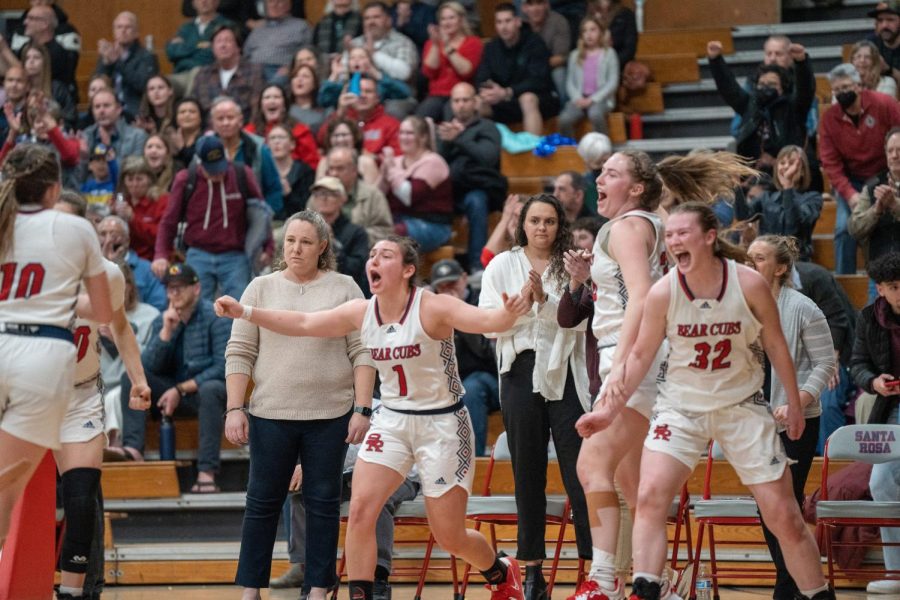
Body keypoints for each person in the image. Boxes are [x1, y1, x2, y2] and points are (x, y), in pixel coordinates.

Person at [214, 234, 533, 600]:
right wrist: (246, 312)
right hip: (393, 421)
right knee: (362, 510)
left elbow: (487, 320)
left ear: (408, 269)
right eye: (371, 255)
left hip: (441, 422)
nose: (374, 261)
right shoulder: (362, 311)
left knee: (449, 534)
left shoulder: (434, 307)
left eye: (385, 255)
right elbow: (303, 322)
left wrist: (509, 313)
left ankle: (499, 569)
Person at [580, 201, 836, 600]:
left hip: (741, 408)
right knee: (648, 496)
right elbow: (640, 356)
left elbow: (776, 345)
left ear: (709, 238)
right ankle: (650, 590)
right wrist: (608, 409)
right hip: (680, 409)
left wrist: (797, 403)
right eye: (670, 235)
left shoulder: (747, 283)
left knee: (783, 514)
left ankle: (820, 594)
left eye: (682, 233)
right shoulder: (664, 291)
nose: (674, 241)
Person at [566, 151, 755, 600]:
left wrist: (624, 368)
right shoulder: (653, 220)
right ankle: (664, 582)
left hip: (633, 358)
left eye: (611, 173)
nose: (599, 177)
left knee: (590, 464)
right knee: (632, 484)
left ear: (634, 188)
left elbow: (639, 297)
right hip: (651, 360)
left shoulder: (627, 226)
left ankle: (604, 579)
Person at [223, 210, 374, 600]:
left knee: (322, 504)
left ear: (323, 247)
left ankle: (319, 588)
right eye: (290, 240)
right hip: (270, 414)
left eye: (306, 242)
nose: (296, 248)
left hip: (331, 416)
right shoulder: (259, 288)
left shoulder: (345, 288)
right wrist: (235, 407)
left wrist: (362, 408)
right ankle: (251, 589)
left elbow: (362, 352)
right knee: (261, 503)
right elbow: (239, 351)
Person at [480, 194, 592, 599]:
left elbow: (579, 326)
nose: (541, 228)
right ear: (522, 224)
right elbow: (489, 326)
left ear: (558, 225)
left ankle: (591, 570)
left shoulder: (573, 264)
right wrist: (517, 310)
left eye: (548, 221)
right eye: (534, 221)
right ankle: (532, 571)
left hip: (565, 371)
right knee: (527, 473)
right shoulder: (502, 265)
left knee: (579, 472)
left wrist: (543, 303)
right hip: (519, 372)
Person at [0, 144, 112, 547]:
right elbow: (102, 311)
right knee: (7, 492)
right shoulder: (77, 229)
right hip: (43, 357)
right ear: (54, 189)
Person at [52, 196, 152, 600]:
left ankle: (74, 593)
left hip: (78, 399)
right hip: (24, 399)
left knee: (80, 501)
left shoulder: (106, 274)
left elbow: (121, 326)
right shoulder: (21, 270)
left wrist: (139, 379)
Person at [747, 235, 836, 600]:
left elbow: (825, 363)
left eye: (759, 258)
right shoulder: (737, 306)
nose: (749, 264)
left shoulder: (803, 308)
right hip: (753, 420)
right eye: (747, 258)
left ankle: (791, 585)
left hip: (795, 419)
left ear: (781, 268)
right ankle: (791, 581)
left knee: (786, 502)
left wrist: (798, 400)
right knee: (765, 506)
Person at [117, 262, 229, 494]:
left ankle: (206, 472)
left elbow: (224, 366)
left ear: (196, 289)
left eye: (180, 287)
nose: (174, 293)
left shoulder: (215, 317)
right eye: (170, 288)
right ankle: (133, 449)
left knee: (212, 388)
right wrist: (166, 333)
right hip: (169, 397)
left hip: (203, 397)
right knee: (131, 378)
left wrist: (180, 389)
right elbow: (147, 367)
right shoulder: (163, 319)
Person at [152, 135, 265, 300]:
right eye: (211, 170)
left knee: (239, 308)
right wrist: (160, 254)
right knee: (194, 306)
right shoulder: (185, 179)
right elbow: (169, 221)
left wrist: (267, 247)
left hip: (235, 254)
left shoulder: (242, 174)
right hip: (198, 253)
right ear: (199, 163)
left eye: (221, 168)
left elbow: (261, 214)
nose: (217, 174)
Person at [848, 250, 900, 595]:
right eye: (895, 286)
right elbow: (857, 364)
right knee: (882, 481)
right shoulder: (869, 317)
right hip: (892, 407)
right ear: (880, 289)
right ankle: (896, 571)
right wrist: (874, 382)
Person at [820, 63, 900, 275]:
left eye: (846, 87)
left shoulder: (884, 103)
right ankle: (845, 289)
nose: (842, 93)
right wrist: (849, 194)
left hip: (888, 173)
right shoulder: (829, 119)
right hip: (852, 180)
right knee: (843, 230)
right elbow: (830, 163)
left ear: (858, 85)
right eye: (837, 90)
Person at [708, 40, 813, 174]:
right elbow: (728, 87)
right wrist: (716, 60)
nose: (765, 87)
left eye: (772, 84)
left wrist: (801, 62)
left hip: (788, 172)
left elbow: (805, 90)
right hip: (752, 174)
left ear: (782, 88)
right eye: (761, 84)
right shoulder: (750, 104)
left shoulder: (792, 107)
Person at [430, 258, 498, 456]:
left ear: (464, 278)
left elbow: (489, 354)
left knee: (471, 389)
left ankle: (472, 461)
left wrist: (459, 314)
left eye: (452, 284)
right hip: (448, 382)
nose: (448, 290)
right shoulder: (431, 311)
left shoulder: (482, 301)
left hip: (488, 380)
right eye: (441, 287)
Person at [437, 82, 506, 274]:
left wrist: (459, 138)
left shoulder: (487, 127)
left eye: (465, 100)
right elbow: (437, 163)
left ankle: (477, 264)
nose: (461, 105)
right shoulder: (445, 130)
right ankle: (436, 262)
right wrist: (444, 142)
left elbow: (488, 157)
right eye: (456, 100)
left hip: (479, 189)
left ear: (475, 102)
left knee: (476, 200)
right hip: (450, 190)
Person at [475, 3, 559, 136]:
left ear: (518, 22)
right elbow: (481, 77)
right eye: (499, 22)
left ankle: (533, 150)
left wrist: (508, 92)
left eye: (508, 21)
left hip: (538, 99)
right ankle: (486, 153)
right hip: (503, 100)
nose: (504, 27)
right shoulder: (491, 47)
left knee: (527, 98)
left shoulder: (534, 43)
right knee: (476, 103)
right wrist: (489, 91)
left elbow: (538, 80)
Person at [381, 116, 453, 253]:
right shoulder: (395, 162)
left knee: (391, 236)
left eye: (409, 133)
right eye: (401, 133)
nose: (403, 137)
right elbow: (379, 195)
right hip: (399, 219)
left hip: (432, 225)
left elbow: (408, 196)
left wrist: (391, 170)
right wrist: (383, 176)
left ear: (423, 137)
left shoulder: (433, 162)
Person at [741, 145, 823, 262]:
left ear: (803, 171)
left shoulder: (813, 199)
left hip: (796, 262)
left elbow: (792, 230)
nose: (786, 167)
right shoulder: (766, 197)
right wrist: (736, 187)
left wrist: (788, 186)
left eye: (791, 163)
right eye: (782, 163)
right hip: (766, 260)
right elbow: (743, 216)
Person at [209, 96, 282, 216]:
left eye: (230, 117)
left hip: (253, 216)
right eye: (220, 119)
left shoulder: (258, 149)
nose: (226, 123)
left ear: (240, 120)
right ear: (213, 123)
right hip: (215, 216)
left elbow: (273, 189)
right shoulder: (205, 150)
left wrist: (264, 217)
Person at [850, 127, 900, 300]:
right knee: (875, 325)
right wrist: (876, 209)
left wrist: (895, 205)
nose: (894, 155)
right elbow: (854, 228)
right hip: (880, 276)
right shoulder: (872, 186)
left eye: (899, 150)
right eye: (890, 151)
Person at [350, 2, 419, 119]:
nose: (371, 22)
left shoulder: (402, 42)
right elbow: (343, 74)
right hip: (361, 94)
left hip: (396, 96)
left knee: (393, 110)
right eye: (367, 18)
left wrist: (374, 55)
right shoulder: (355, 43)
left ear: (388, 20)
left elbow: (404, 73)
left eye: (376, 17)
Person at [417, 1, 483, 122]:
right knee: (421, 119)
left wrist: (448, 47)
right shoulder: (432, 43)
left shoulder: (473, 42)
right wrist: (436, 45)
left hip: (461, 96)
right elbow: (428, 72)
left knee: (451, 115)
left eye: (451, 18)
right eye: (443, 19)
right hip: (436, 96)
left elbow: (466, 71)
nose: (447, 22)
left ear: (461, 19)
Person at [190, 23, 266, 122]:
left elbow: (257, 109)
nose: (223, 45)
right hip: (209, 133)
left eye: (227, 41)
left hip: (244, 131)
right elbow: (195, 107)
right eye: (218, 41)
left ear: (238, 47)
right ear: (213, 48)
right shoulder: (203, 75)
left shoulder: (254, 71)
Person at [558, 16, 618, 138]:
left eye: (592, 30)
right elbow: (570, 82)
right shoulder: (575, 55)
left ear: (601, 32)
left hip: (600, 99)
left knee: (595, 114)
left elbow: (612, 82)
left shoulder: (609, 53)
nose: (588, 34)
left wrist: (592, 99)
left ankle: (603, 146)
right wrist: (577, 98)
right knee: (564, 119)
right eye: (585, 31)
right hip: (579, 98)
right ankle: (570, 150)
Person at [93, 11, 160, 120]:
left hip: (134, 111)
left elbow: (142, 84)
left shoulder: (146, 56)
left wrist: (117, 62)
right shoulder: (109, 53)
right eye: (119, 27)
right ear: (114, 32)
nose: (123, 31)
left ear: (136, 33)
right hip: (108, 109)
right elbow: (97, 84)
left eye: (128, 27)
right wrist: (106, 63)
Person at [308, 177, 370, 293]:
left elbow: (357, 270)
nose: (323, 198)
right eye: (318, 194)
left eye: (330, 194)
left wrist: (332, 245)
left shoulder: (356, 232)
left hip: (345, 293)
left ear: (343, 199)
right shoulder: (306, 231)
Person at [317, 75, 401, 156]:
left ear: (377, 98)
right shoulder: (341, 117)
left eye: (368, 91)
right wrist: (340, 112)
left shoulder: (391, 124)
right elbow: (322, 141)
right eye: (358, 91)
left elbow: (398, 155)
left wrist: (375, 158)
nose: (362, 95)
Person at [325, 146, 394, 246]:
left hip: (363, 256)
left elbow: (385, 233)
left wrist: (352, 236)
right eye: (331, 168)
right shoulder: (319, 194)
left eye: (340, 168)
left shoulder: (373, 196)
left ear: (354, 170)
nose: (334, 173)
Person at [98, 215, 167, 312]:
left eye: (114, 234)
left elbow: (159, 305)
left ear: (127, 240)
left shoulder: (147, 270)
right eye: (103, 234)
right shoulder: (88, 268)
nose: (108, 240)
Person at [245, 84, 319, 170]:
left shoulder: (300, 131)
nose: (272, 101)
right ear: (261, 106)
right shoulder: (249, 132)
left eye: (276, 97)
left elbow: (312, 164)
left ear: (284, 105)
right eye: (267, 97)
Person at [319, 47, 412, 112]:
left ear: (370, 61)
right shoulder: (343, 86)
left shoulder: (379, 85)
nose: (356, 60)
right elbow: (323, 100)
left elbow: (405, 92)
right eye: (352, 58)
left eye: (361, 57)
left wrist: (376, 74)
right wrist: (334, 74)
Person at [113, 156, 169, 261]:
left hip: (152, 261)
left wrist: (133, 219)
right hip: (122, 259)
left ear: (149, 179)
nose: (134, 184)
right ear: (124, 181)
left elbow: (161, 237)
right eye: (130, 179)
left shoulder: (161, 200)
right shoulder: (120, 201)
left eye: (139, 179)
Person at [79, 90, 148, 175]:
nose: (101, 111)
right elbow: (78, 181)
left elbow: (135, 175)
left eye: (106, 106)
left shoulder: (138, 136)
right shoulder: (86, 136)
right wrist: (83, 160)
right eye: (97, 107)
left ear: (119, 109)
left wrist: (109, 149)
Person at [165, 0, 234, 86]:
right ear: (193, 3)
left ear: (216, 2)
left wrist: (185, 47)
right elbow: (171, 52)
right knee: (158, 84)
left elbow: (211, 55)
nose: (203, 1)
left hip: (211, 75)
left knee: (195, 79)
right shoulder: (186, 27)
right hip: (181, 74)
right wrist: (199, 46)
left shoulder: (226, 25)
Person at [243, 0, 311, 82]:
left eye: (279, 2)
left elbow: (307, 54)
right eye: (271, 2)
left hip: (280, 70)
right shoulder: (258, 29)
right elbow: (246, 54)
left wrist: (291, 67)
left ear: (288, 5)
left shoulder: (301, 26)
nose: (274, 5)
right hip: (254, 70)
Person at [521, 0, 571, 105]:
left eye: (539, 3)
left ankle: (564, 111)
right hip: (525, 71)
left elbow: (559, 58)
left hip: (550, 69)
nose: (535, 9)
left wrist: (536, 66)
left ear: (546, 5)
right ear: (524, 7)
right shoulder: (519, 24)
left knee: (559, 73)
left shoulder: (558, 21)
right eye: (531, 4)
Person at [20, 41, 75, 130]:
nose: (31, 61)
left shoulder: (58, 89)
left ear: (45, 62)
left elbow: (70, 118)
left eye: (36, 58)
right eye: (27, 58)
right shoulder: (20, 89)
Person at [267, 124, 314, 218]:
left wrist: (289, 193)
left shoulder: (305, 171)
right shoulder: (262, 171)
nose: (277, 141)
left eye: (281, 137)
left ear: (292, 144)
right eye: (272, 138)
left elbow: (307, 208)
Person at [317, 119, 380, 185]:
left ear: (355, 137)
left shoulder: (366, 162)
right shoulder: (324, 162)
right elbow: (317, 192)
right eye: (336, 135)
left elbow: (373, 193)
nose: (340, 140)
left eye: (344, 135)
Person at [481, 193, 525, 268]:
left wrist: (518, 238)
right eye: (512, 215)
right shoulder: (502, 242)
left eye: (520, 216)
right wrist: (504, 221)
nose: (515, 220)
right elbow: (486, 260)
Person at [867, 1, 900, 90]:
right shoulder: (870, 44)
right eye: (880, 20)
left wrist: (888, 70)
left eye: (890, 20)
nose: (884, 25)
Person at [287, 62, 326, 136]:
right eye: (295, 76)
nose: (299, 79)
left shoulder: (323, 113)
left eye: (305, 76)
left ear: (314, 84)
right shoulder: (284, 110)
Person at [169, 97, 205, 167]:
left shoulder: (206, 139)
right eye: (182, 112)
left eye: (192, 112)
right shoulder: (169, 139)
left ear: (200, 117)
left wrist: (182, 148)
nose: (187, 115)